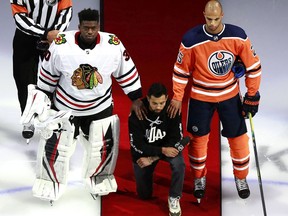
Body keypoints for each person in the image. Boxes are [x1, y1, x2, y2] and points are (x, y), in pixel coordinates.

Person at [20, 8, 145, 202]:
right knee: (57, 145)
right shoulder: (61, 44)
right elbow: (47, 76)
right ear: (79, 27)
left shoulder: (113, 44)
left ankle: (99, 176)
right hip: (65, 107)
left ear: (99, 27)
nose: (89, 32)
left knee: (102, 146)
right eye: (86, 28)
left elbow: (125, 71)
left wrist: (136, 98)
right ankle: (50, 179)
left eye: (93, 28)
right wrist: (42, 99)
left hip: (99, 106)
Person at [168, 0, 261, 201]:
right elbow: (180, 71)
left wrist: (252, 94)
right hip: (201, 97)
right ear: (203, 15)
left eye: (216, 19)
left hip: (229, 95)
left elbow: (253, 66)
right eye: (208, 18)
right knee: (197, 141)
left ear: (222, 15)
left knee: (238, 140)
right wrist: (177, 97)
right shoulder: (191, 39)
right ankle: (199, 179)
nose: (212, 23)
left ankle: (241, 178)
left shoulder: (238, 35)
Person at [10, 0, 73, 139]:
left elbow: (66, 11)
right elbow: (20, 17)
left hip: (54, 37)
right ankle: (29, 118)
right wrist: (45, 33)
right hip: (26, 37)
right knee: (24, 77)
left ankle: (54, 118)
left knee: (56, 77)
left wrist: (56, 33)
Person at [129, 83, 189, 216]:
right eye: (154, 103)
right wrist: (160, 151)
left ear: (167, 98)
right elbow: (137, 145)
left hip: (164, 149)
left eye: (162, 103)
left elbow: (176, 139)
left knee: (179, 164)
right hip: (145, 152)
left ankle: (174, 197)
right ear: (148, 98)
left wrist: (154, 157)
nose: (159, 107)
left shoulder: (172, 109)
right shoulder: (137, 112)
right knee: (144, 195)